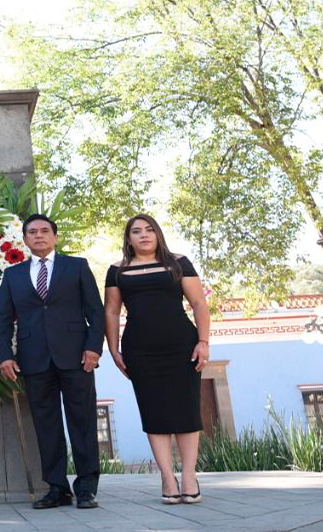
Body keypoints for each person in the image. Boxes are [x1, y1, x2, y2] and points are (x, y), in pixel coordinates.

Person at [0, 213, 105, 510]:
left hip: (76, 357)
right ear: (25, 239)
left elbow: (96, 312)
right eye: (32, 232)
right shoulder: (13, 275)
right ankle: (57, 488)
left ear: (55, 236)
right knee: (47, 425)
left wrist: (94, 348)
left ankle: (86, 488)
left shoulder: (77, 266)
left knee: (82, 423)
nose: (39, 236)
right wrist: (4, 355)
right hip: (33, 360)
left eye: (45, 231)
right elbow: (3, 320)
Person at [104, 214, 211, 505]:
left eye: (149, 230)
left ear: (158, 233)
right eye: (136, 231)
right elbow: (111, 312)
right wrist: (113, 350)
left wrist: (203, 342)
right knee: (154, 413)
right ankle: (167, 477)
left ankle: (189, 475)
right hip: (140, 349)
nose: (143, 235)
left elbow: (199, 303)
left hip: (182, 345)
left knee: (186, 411)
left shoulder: (179, 262)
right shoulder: (117, 270)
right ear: (128, 239)